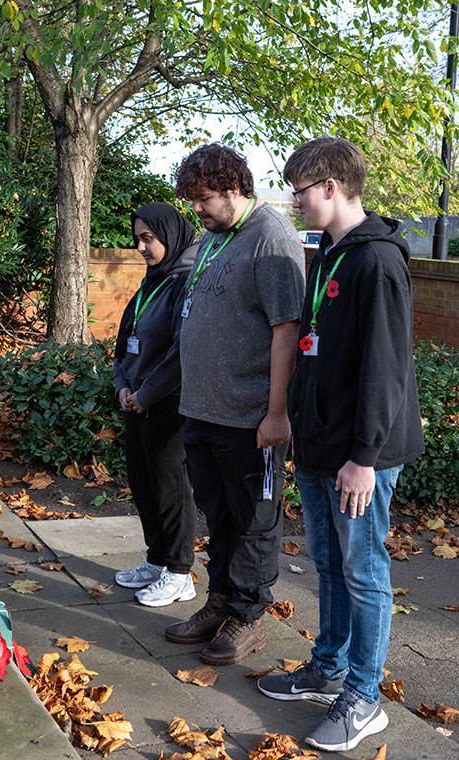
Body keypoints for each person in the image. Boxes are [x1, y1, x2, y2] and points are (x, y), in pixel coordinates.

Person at [257, 137, 425, 753]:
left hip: (360, 455)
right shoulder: (327, 252)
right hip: (321, 443)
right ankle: (327, 667)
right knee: (328, 564)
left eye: (299, 191)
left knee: (363, 570)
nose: (294, 202)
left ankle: (364, 697)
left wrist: (364, 457)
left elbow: (386, 368)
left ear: (330, 186)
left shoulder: (377, 262)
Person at [164, 143, 306, 664]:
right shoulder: (214, 237)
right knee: (218, 515)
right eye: (191, 202)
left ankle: (247, 616)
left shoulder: (272, 237)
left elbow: (286, 328)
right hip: (203, 410)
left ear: (233, 189)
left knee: (253, 519)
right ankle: (219, 601)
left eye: (203, 200)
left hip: (249, 417)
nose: (195, 210)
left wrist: (276, 414)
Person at [113, 202, 199, 607]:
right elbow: (123, 344)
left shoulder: (185, 282)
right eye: (138, 239)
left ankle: (180, 573)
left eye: (149, 238)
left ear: (170, 234)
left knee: (171, 491)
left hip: (168, 405)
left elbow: (183, 351)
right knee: (144, 486)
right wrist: (123, 388)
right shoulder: (152, 281)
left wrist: (145, 395)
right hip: (136, 403)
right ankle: (157, 560)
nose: (142, 247)